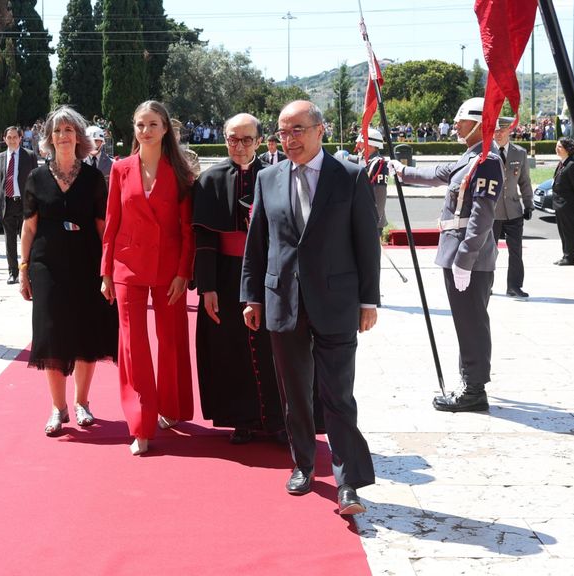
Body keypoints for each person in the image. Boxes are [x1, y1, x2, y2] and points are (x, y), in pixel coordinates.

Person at [241, 100, 380, 515]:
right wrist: (251, 296)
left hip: (337, 303)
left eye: (298, 130)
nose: (289, 140)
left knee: (337, 395)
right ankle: (302, 464)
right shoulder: (268, 178)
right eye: (283, 132)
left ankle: (348, 482)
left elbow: (366, 244)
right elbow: (258, 245)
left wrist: (368, 300)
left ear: (321, 130)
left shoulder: (350, 177)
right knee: (295, 394)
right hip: (283, 300)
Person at [389, 96, 503, 413]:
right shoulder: (470, 159)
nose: (455, 125)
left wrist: (464, 261)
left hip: (470, 260)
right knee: (466, 323)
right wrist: (401, 170)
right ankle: (470, 383)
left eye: (461, 120)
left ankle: (474, 391)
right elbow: (436, 173)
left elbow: (481, 219)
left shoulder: (487, 162)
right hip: (458, 256)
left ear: (480, 124)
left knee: (471, 324)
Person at [101, 101, 196, 456]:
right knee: (133, 346)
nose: (145, 131)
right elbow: (111, 223)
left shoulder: (182, 172)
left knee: (171, 340)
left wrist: (183, 272)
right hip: (128, 268)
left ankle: (171, 408)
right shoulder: (120, 169)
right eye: (140, 124)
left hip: (169, 270)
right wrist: (106, 271)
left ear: (165, 128)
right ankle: (140, 424)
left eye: (153, 124)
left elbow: (188, 230)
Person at [18, 106, 118, 436]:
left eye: (69, 130)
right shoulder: (36, 177)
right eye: (58, 131)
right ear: (49, 138)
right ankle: (57, 408)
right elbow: (29, 227)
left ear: (79, 138)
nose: (63, 136)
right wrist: (22, 267)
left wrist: (108, 269)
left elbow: (103, 227)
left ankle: (82, 403)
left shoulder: (92, 179)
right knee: (51, 333)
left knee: (86, 330)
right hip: (46, 264)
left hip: (86, 261)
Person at [192, 112, 284, 445]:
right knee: (230, 350)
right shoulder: (209, 180)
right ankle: (242, 420)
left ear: (260, 141)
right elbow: (204, 238)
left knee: (276, 350)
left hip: (270, 273)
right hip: (226, 275)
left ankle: (280, 421)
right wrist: (207, 288)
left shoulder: (278, 175)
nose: (239, 146)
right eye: (233, 138)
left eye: (247, 139)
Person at [0, 126, 39, 284]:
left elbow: (36, 180)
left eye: (14, 137)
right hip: (7, 204)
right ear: (4, 139)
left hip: (25, 204)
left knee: (27, 239)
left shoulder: (29, 156)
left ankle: (28, 272)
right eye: (9, 137)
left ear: (20, 138)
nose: (12, 140)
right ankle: (13, 273)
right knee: (9, 241)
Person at [492, 116, 534, 297]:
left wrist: (529, 204)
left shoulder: (520, 153)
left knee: (516, 251)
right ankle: (486, 285)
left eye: (502, 130)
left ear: (509, 131)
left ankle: (514, 286)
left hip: (513, 210)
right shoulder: (485, 152)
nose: (498, 134)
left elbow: (524, 181)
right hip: (491, 211)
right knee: (488, 252)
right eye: (495, 130)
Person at [551, 137, 574, 266]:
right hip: (559, 204)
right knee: (562, 232)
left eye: (560, 147)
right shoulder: (562, 163)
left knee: (568, 232)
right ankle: (565, 255)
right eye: (557, 146)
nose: (557, 149)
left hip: (567, 205)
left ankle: (569, 257)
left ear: (567, 150)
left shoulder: (572, 165)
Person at [356, 127, 389, 237]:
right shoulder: (365, 161)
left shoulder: (379, 164)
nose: (358, 146)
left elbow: (380, 195)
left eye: (361, 143)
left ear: (369, 144)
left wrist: (374, 221)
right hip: (360, 218)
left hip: (371, 220)